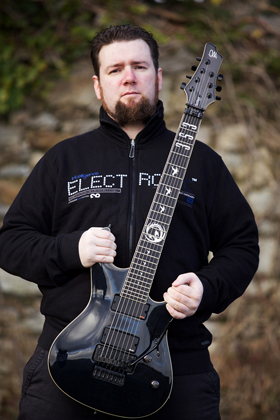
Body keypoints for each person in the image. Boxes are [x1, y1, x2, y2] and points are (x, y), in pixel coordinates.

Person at [0, 24, 259, 420]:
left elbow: (241, 246)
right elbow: (11, 242)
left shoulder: (204, 164)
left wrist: (206, 288)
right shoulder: (64, 160)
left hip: (176, 365)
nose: (128, 76)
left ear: (158, 77)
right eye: (115, 69)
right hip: (68, 358)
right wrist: (73, 249)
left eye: (139, 65)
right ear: (97, 85)